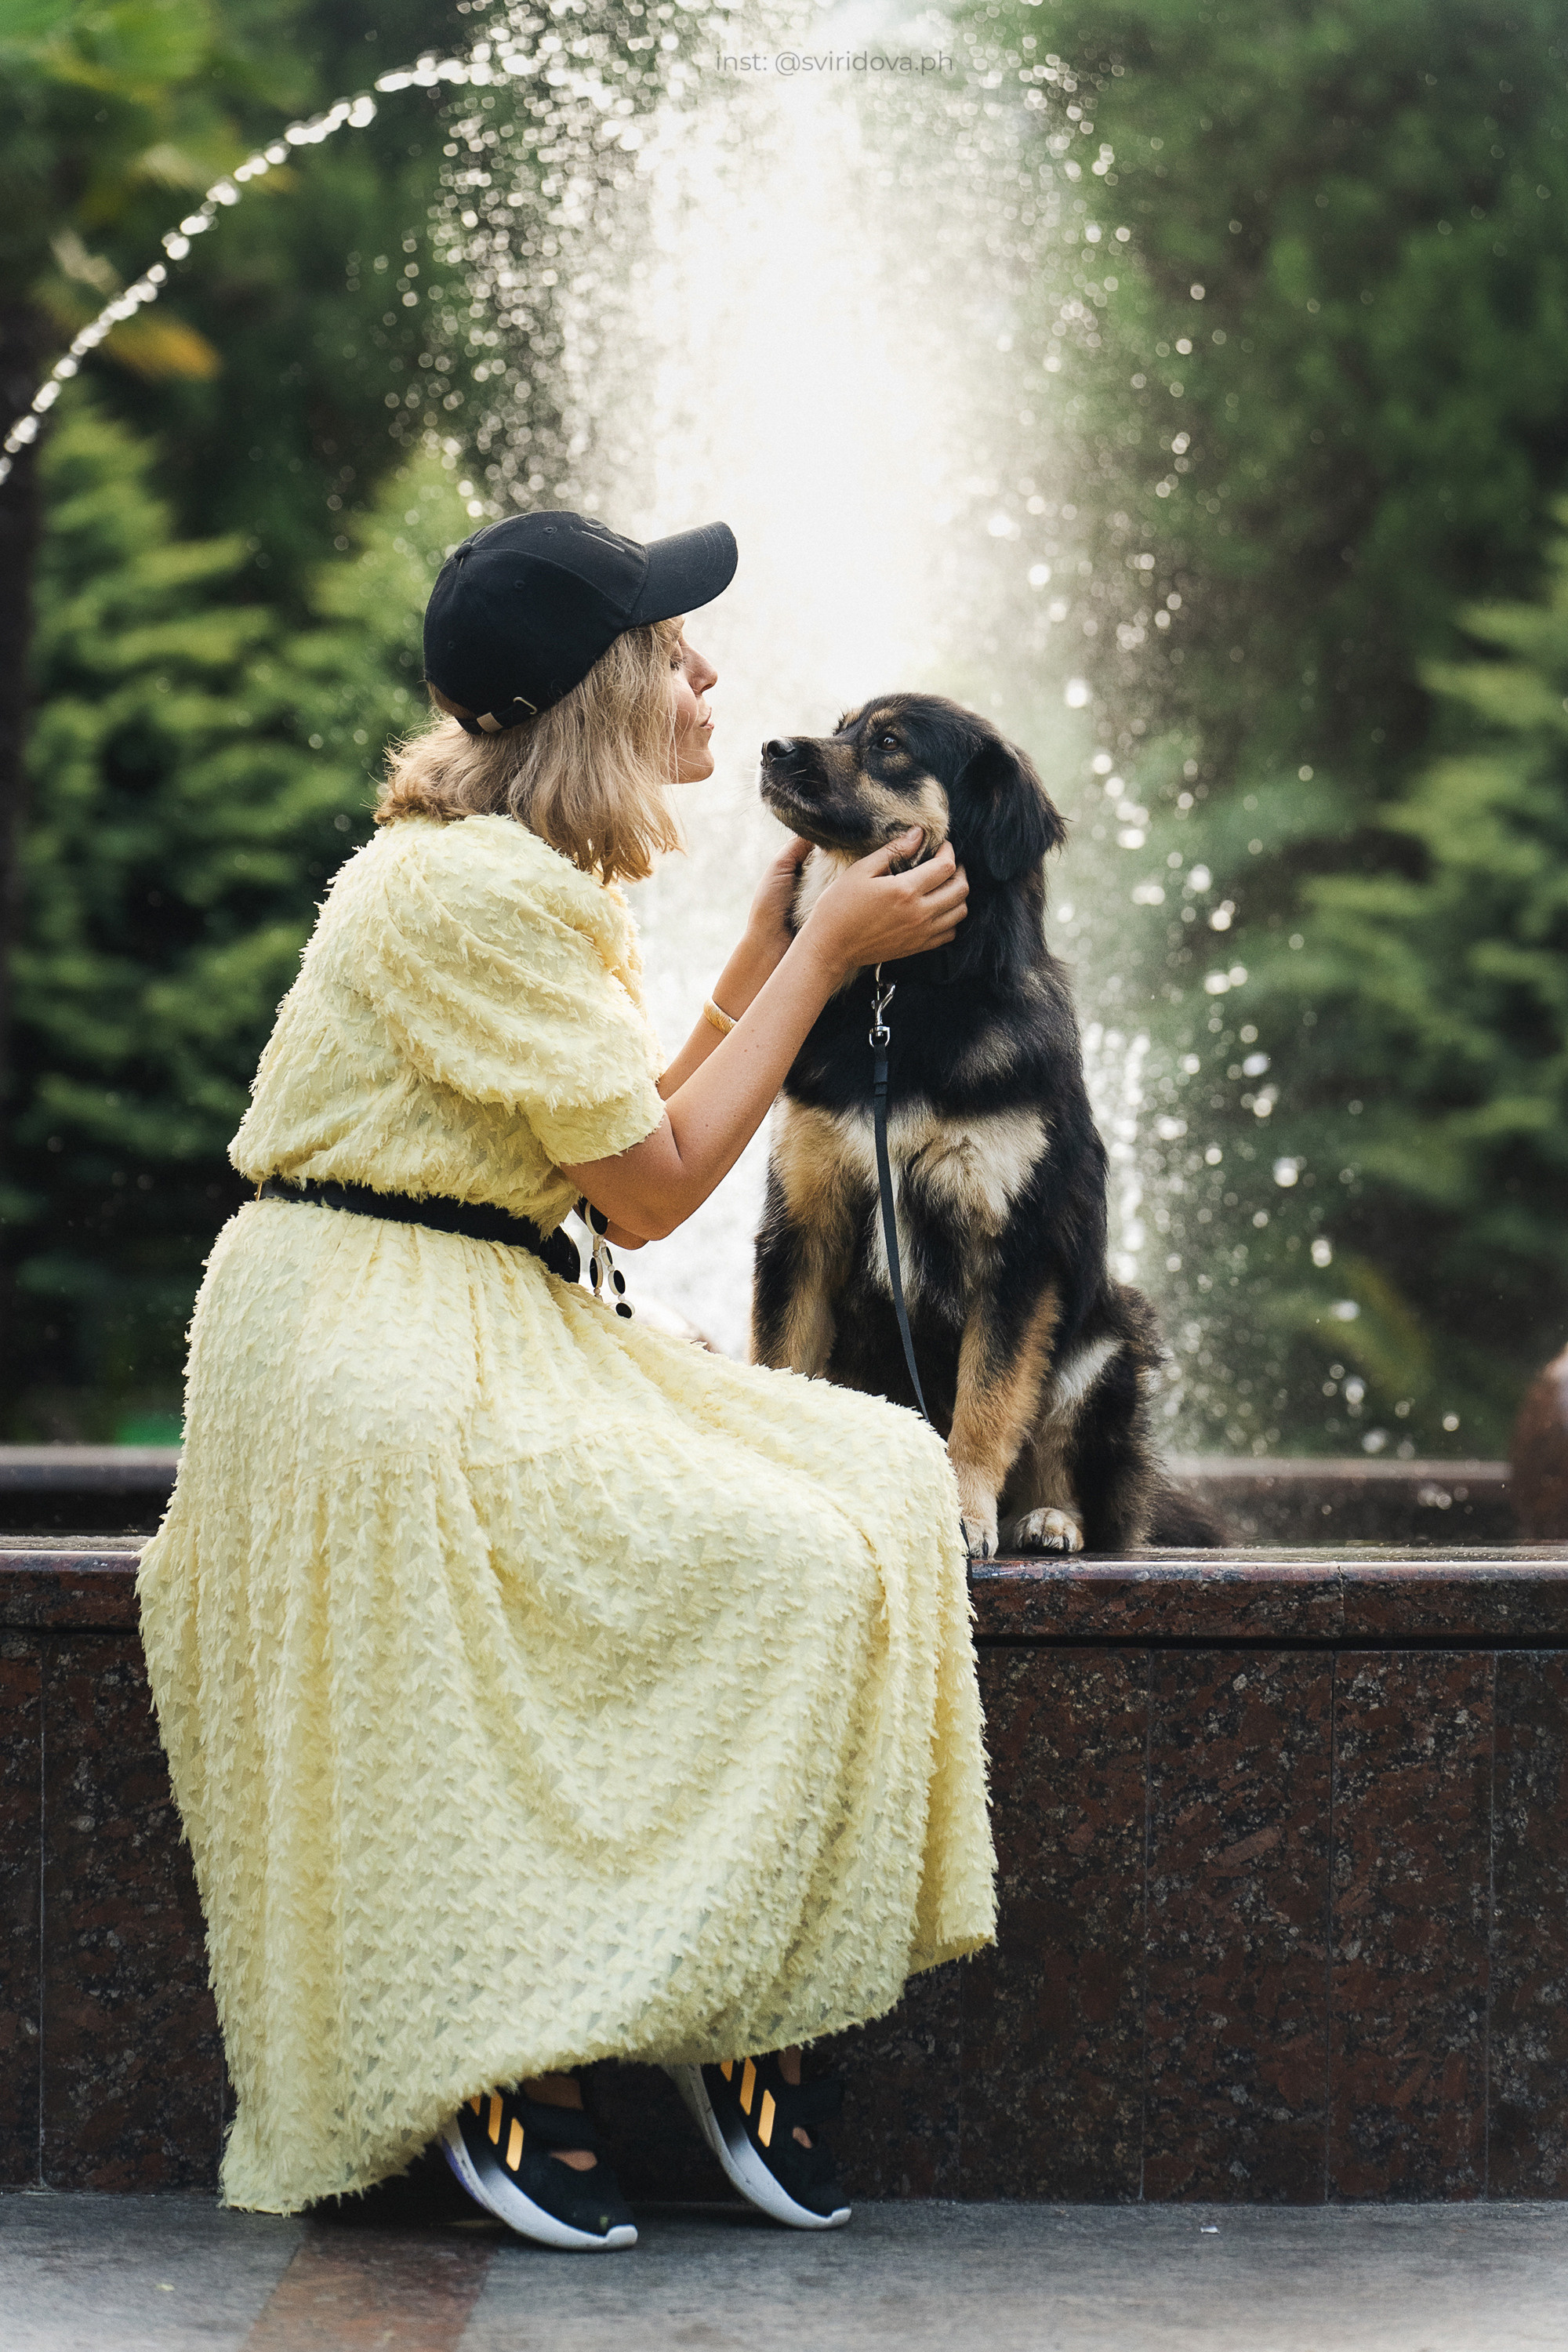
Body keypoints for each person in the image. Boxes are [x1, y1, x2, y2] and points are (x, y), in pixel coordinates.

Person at [136, 510, 996, 2254]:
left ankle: (752, 2004)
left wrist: (767, 948)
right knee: (777, 1553)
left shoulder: (527, 880)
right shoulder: (471, 888)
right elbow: (658, 1183)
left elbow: (606, 1139)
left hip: (469, 1301)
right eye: (677, 651)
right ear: (606, 685)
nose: (709, 676)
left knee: (887, 1483)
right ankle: (492, 2046)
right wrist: (826, 956)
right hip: (362, 1347)